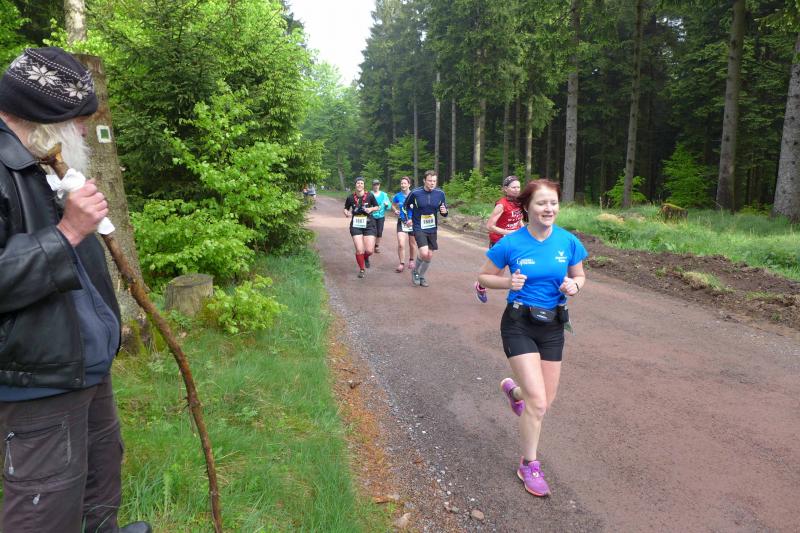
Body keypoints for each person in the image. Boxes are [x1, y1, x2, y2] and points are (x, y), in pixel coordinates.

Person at [0, 47, 151, 532]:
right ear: (45, 115)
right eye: (79, 121)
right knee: (45, 505)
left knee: (100, 477)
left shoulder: (39, 160)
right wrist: (66, 233)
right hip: (39, 374)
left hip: (84, 362)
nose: (84, 132)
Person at [476, 178, 587, 498]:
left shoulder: (568, 241)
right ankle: (529, 465)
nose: (549, 208)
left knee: (544, 401)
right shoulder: (511, 243)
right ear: (527, 207)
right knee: (537, 403)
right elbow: (483, 276)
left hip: (552, 326)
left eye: (553, 202)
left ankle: (515, 392)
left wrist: (575, 286)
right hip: (519, 323)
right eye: (541, 203)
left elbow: (580, 275)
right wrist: (507, 283)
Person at [475, 176, 524, 303]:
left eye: (518, 187)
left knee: (521, 265)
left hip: (514, 241)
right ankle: (480, 286)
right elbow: (489, 226)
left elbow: (518, 219)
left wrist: (523, 230)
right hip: (499, 241)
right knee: (497, 274)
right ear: (505, 189)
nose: (517, 189)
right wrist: (509, 232)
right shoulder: (501, 205)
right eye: (513, 187)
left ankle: (522, 296)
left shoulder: (519, 202)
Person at [404, 170, 448, 287]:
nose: (432, 183)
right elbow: (406, 206)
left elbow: (444, 210)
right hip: (418, 226)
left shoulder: (440, 194)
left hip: (432, 227)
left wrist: (445, 212)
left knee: (429, 255)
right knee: (424, 252)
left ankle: (421, 275)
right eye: (429, 181)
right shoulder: (415, 193)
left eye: (434, 181)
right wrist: (408, 218)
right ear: (424, 180)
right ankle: (415, 271)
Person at [343, 177, 380, 278]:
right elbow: (346, 208)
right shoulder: (350, 197)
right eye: (358, 183)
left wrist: (371, 209)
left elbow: (377, 207)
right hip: (356, 225)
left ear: (364, 185)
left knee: (369, 250)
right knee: (359, 250)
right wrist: (346, 213)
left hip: (369, 224)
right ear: (355, 185)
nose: (359, 185)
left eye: (361, 183)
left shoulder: (370, 195)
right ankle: (362, 269)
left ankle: (365, 257)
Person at [391, 176, 417, 273]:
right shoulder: (397, 196)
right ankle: (401, 263)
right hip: (401, 222)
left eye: (405, 183)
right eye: (401, 183)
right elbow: (393, 205)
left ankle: (411, 260)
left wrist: (413, 219)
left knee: (412, 243)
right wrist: (395, 210)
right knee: (401, 244)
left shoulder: (414, 195)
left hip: (412, 222)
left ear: (409, 185)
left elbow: (419, 208)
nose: (403, 185)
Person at [369, 179, 392, 253]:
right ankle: (370, 245)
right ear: (372, 186)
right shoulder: (369, 194)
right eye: (374, 184)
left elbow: (389, 205)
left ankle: (376, 246)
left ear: (379, 185)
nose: (376, 186)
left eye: (377, 184)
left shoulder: (384, 195)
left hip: (381, 216)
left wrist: (387, 205)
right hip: (371, 215)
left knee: (379, 232)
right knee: (372, 231)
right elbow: (365, 204)